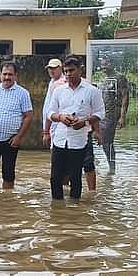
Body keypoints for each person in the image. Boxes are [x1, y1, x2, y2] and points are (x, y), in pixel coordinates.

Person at [45, 57, 103, 200]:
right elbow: (49, 112)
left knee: (75, 176)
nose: (69, 74)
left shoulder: (91, 90)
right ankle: (58, 211)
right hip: (59, 138)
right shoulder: (59, 90)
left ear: (80, 70)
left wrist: (84, 122)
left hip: (79, 139)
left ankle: (74, 212)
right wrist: (60, 118)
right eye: (66, 71)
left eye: (71, 70)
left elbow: (100, 113)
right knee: (55, 178)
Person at [0, 62, 32, 189]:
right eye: (4, 74)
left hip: (11, 140)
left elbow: (28, 116)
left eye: (10, 74)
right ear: (0, 75)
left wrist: (19, 137)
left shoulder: (23, 93)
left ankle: (7, 200)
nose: (7, 77)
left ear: (16, 75)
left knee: (8, 174)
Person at [96, 57, 130, 172]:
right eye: (102, 65)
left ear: (112, 64)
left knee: (107, 142)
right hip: (101, 115)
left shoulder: (119, 78)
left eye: (106, 64)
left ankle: (112, 169)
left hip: (112, 115)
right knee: (100, 141)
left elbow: (125, 96)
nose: (104, 67)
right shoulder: (103, 79)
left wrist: (122, 116)